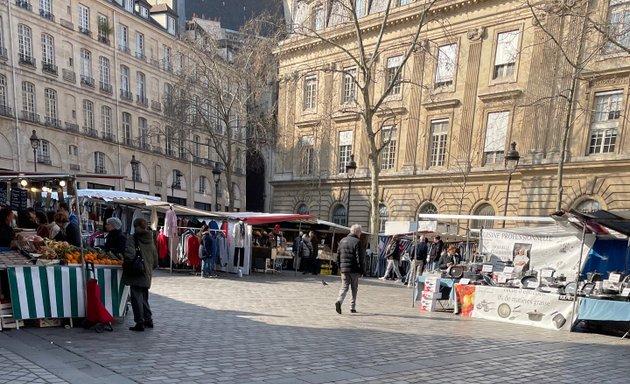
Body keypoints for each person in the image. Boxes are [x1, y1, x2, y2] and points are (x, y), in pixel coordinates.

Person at [123, 218, 158, 332]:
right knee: (144, 298)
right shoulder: (150, 238)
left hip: (137, 271)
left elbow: (130, 254)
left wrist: (127, 263)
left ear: (137, 226)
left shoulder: (133, 238)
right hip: (147, 271)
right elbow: (155, 257)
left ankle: (140, 322)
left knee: (136, 298)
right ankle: (148, 320)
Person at [335, 224, 365, 314]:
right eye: (360, 232)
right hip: (354, 270)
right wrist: (362, 270)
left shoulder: (342, 241)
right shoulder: (357, 242)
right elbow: (359, 258)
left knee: (344, 287)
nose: (360, 234)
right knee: (354, 288)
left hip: (344, 269)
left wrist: (340, 267)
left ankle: (339, 301)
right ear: (357, 232)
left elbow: (338, 256)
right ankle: (352, 307)